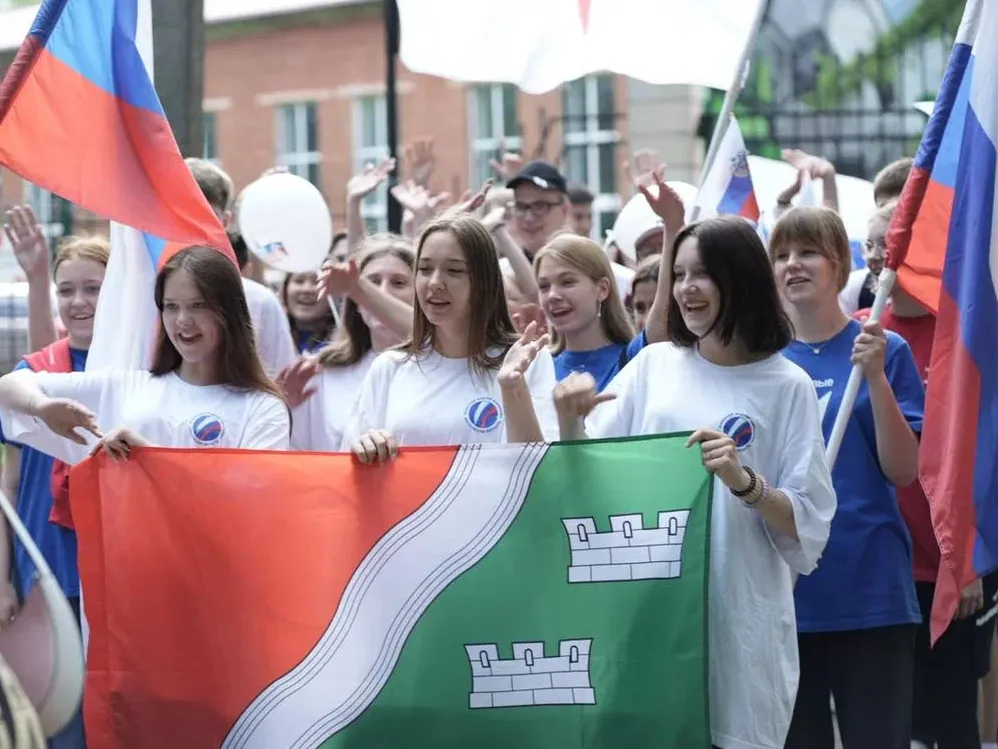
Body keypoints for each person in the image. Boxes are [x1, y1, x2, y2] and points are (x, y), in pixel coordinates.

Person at [506, 216, 835, 749]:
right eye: (678, 275)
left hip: (736, 629)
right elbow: (584, 478)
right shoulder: (653, 367)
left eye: (701, 274)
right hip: (646, 624)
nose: (686, 289)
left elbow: (809, 523)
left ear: (740, 278)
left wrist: (744, 481)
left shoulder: (787, 384)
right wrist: (569, 420)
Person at [769, 205, 923, 749]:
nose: (793, 264)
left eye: (808, 252)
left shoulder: (886, 349)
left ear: (840, 262)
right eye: (781, 255)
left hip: (870, 591)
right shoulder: (760, 361)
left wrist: (876, 378)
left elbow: (903, 470)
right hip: (785, 595)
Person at [0, 246, 290, 467]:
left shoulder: (262, 408)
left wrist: (150, 456)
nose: (182, 320)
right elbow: (11, 385)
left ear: (230, 312)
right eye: (171, 306)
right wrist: (41, 406)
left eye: (198, 305)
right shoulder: (126, 387)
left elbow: (251, 502)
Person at [0, 235, 108, 749]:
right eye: (67, 290)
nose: (79, 301)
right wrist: (2, 580)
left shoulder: (145, 367)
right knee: (59, 716)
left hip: (119, 573)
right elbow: (9, 484)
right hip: (47, 567)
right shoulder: (36, 374)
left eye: (93, 288)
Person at [344, 215, 558, 461]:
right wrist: (366, 447)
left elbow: (539, 465)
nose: (435, 283)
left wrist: (513, 388)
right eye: (425, 269)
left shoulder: (528, 361)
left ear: (484, 282)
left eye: (454, 271)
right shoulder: (389, 367)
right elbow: (348, 464)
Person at [288, 236, 414, 452]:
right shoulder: (321, 372)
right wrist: (286, 410)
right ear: (355, 302)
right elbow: (301, 454)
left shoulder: (443, 368)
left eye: (399, 283)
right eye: (372, 283)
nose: (382, 292)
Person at [185, 158, 297, 375]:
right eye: (186, 214)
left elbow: (283, 378)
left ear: (225, 222)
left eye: (206, 216)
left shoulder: (260, 301)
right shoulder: (146, 292)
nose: (195, 226)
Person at [533, 234, 642, 391]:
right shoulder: (536, 367)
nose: (552, 295)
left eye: (567, 282)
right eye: (544, 286)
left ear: (602, 289)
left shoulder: (635, 359)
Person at [506, 161, 569, 261]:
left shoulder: (583, 265)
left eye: (540, 206)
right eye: (521, 206)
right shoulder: (500, 268)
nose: (528, 218)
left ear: (564, 210)